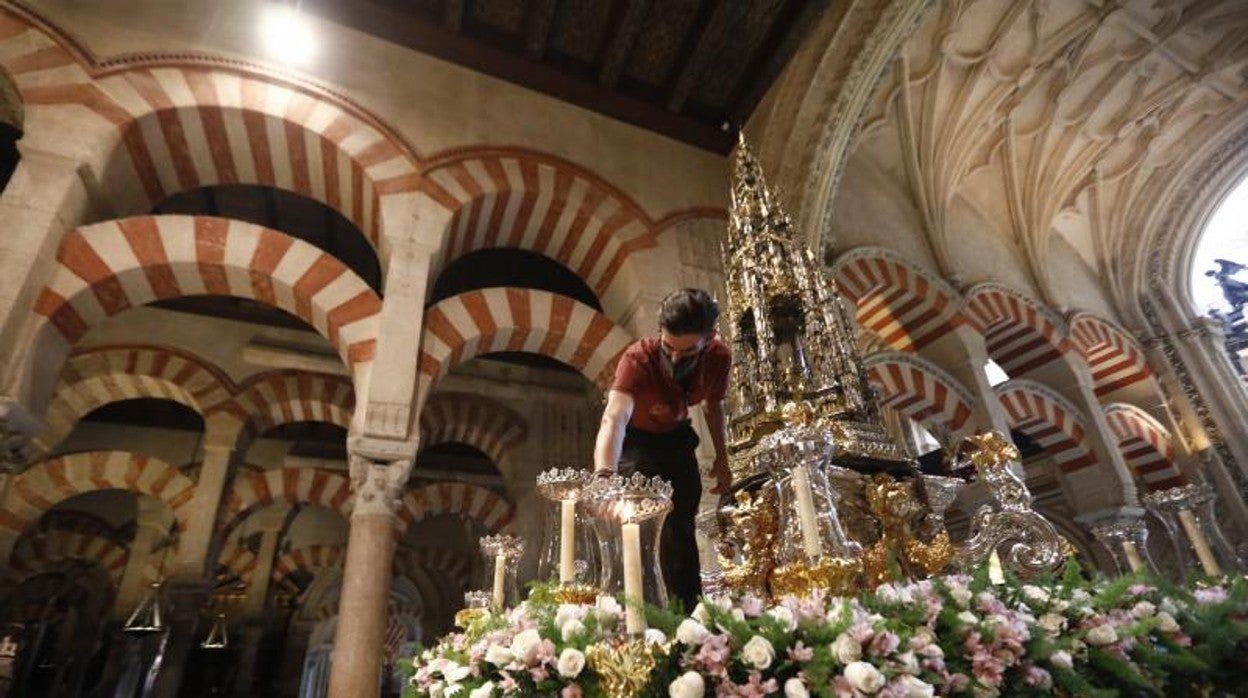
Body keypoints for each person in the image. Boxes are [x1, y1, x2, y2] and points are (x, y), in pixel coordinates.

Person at [592, 288, 733, 611]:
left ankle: (687, 617)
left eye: (687, 352)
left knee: (681, 528)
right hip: (636, 443)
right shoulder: (637, 359)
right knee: (643, 530)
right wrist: (604, 476)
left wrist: (723, 460)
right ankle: (638, 612)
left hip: (677, 440)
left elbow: (713, 408)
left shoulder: (718, 358)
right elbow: (614, 419)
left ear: (709, 339)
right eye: (668, 348)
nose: (674, 358)